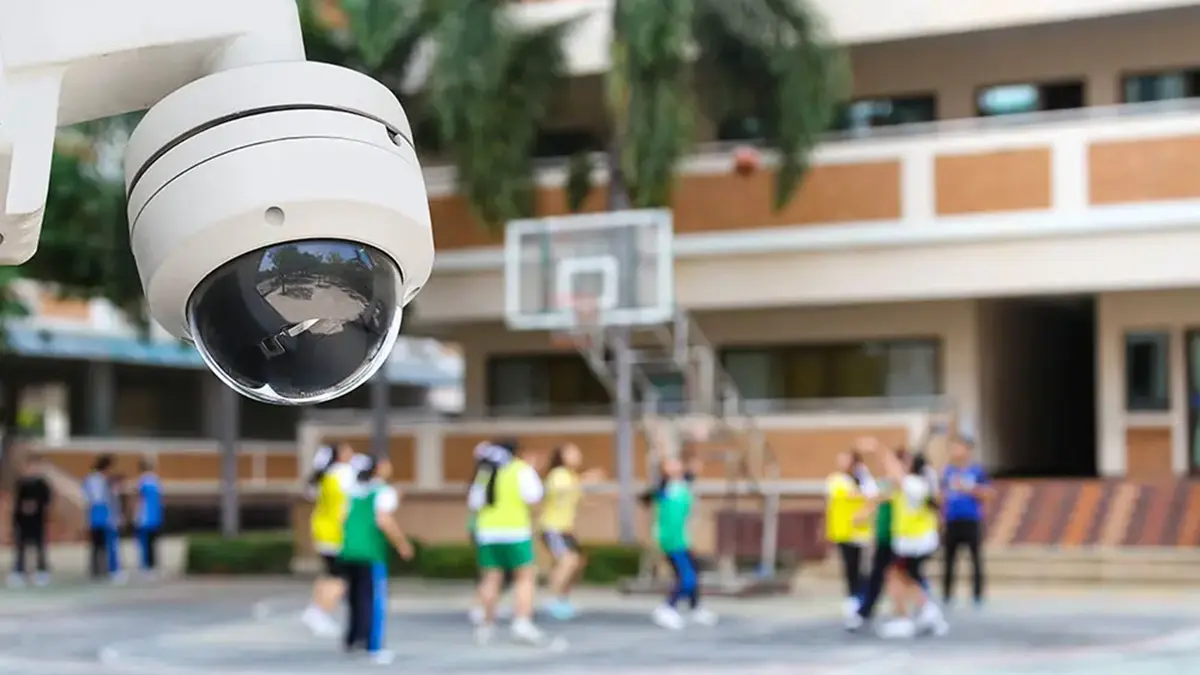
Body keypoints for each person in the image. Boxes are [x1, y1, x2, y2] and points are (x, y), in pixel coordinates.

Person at [469, 438, 549, 646]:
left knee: (491, 578)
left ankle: (486, 626)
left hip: (488, 533)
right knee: (525, 576)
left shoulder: (485, 472)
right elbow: (534, 499)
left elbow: (474, 503)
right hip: (515, 532)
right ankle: (521, 622)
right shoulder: (521, 470)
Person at [339, 454, 414, 665]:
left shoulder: (352, 492)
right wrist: (401, 543)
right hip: (371, 551)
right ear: (378, 468)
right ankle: (374, 646)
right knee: (374, 598)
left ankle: (353, 638)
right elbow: (383, 519)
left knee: (355, 597)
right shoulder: (383, 491)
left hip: (349, 549)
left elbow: (343, 518)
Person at [876, 450, 948, 639]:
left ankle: (907, 618)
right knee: (905, 577)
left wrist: (879, 450)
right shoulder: (913, 484)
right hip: (911, 541)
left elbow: (896, 473)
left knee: (896, 576)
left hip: (915, 542)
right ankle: (924, 612)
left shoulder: (915, 484)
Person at [647, 455, 717, 630]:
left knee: (694, 570)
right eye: (670, 464)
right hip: (672, 540)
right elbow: (655, 497)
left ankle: (695, 607)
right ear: (664, 470)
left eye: (677, 462)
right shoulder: (667, 489)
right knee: (687, 577)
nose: (675, 465)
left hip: (682, 538)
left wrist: (692, 470)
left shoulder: (681, 484)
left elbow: (686, 478)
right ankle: (667, 608)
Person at [539, 443, 605, 620]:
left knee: (577, 563)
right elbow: (564, 490)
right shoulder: (558, 474)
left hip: (566, 528)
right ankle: (552, 599)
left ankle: (563, 599)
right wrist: (585, 479)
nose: (577, 456)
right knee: (568, 561)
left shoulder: (570, 476)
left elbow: (577, 498)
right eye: (572, 453)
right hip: (553, 527)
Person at [303, 443, 359, 636]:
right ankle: (318, 613)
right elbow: (351, 501)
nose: (351, 453)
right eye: (346, 451)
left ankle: (316, 610)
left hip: (321, 530)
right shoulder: (344, 474)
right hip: (337, 532)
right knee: (341, 578)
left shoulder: (323, 478)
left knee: (329, 573)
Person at [941, 433, 991, 608]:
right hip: (952, 520)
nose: (956, 450)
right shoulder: (949, 471)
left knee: (975, 559)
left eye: (959, 447)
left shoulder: (977, 471)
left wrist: (970, 489)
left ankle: (977, 595)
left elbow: (988, 493)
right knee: (949, 560)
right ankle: (947, 595)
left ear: (968, 450)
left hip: (971, 520)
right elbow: (942, 495)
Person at [468, 441, 515, 626]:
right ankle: (480, 606)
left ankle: (488, 605)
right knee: (493, 573)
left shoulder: (482, 475)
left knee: (495, 573)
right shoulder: (487, 475)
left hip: (485, 531)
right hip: (490, 529)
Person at [825, 448, 876, 618]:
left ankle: (862, 597)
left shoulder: (863, 479)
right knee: (850, 566)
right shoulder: (836, 480)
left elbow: (873, 495)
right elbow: (855, 494)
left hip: (861, 531)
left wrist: (863, 474)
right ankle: (853, 598)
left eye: (845, 459)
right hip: (844, 530)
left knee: (863, 567)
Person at [9, 454, 52, 587]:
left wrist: (36, 506)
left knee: (39, 547)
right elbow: (16, 503)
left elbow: (47, 501)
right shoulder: (21, 483)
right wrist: (16, 517)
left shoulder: (42, 484)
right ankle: (19, 571)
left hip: (37, 520)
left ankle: (41, 571)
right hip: (23, 521)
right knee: (21, 547)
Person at [83, 455, 116, 582]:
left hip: (101, 512)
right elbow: (90, 498)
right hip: (98, 512)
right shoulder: (94, 479)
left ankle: (100, 569)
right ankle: (97, 569)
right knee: (98, 544)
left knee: (100, 544)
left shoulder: (101, 479)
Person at [134, 458, 163, 580]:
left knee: (145, 543)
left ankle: (146, 565)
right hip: (153, 516)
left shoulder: (142, 481)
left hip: (145, 517)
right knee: (152, 543)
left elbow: (138, 500)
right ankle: (152, 566)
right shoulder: (155, 480)